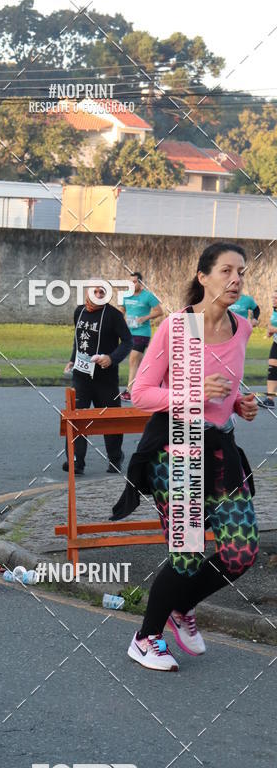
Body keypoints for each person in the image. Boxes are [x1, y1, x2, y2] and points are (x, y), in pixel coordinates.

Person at [111, 242, 259, 672]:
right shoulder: (180, 326)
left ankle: (182, 605)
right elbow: (140, 393)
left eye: (242, 273)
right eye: (227, 271)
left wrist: (237, 404)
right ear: (203, 277)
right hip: (177, 449)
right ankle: (145, 639)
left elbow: (224, 390)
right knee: (189, 552)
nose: (236, 280)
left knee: (241, 552)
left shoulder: (242, 328)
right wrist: (194, 393)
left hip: (221, 448)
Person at [63, 284, 132, 474]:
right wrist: (71, 360)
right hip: (81, 377)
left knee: (110, 420)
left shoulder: (114, 315)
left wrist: (111, 358)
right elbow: (79, 340)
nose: (99, 294)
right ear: (88, 292)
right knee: (77, 418)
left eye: (103, 292)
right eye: (96, 291)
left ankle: (115, 458)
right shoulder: (79, 312)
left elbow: (128, 341)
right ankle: (76, 461)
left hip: (106, 378)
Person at [119, 272, 164, 401]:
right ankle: (152, 385)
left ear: (141, 283)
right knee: (139, 363)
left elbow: (159, 311)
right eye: (130, 282)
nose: (132, 285)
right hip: (128, 333)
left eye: (134, 282)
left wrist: (145, 317)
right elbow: (122, 311)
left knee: (133, 360)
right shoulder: (126, 296)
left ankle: (130, 391)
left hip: (142, 334)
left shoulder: (148, 296)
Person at [259, 289, 277, 408]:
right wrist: (270, 331)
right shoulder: (275, 310)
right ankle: (270, 399)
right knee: (272, 368)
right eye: (273, 298)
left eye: (276, 298)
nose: (273, 300)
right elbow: (272, 324)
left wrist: (274, 330)